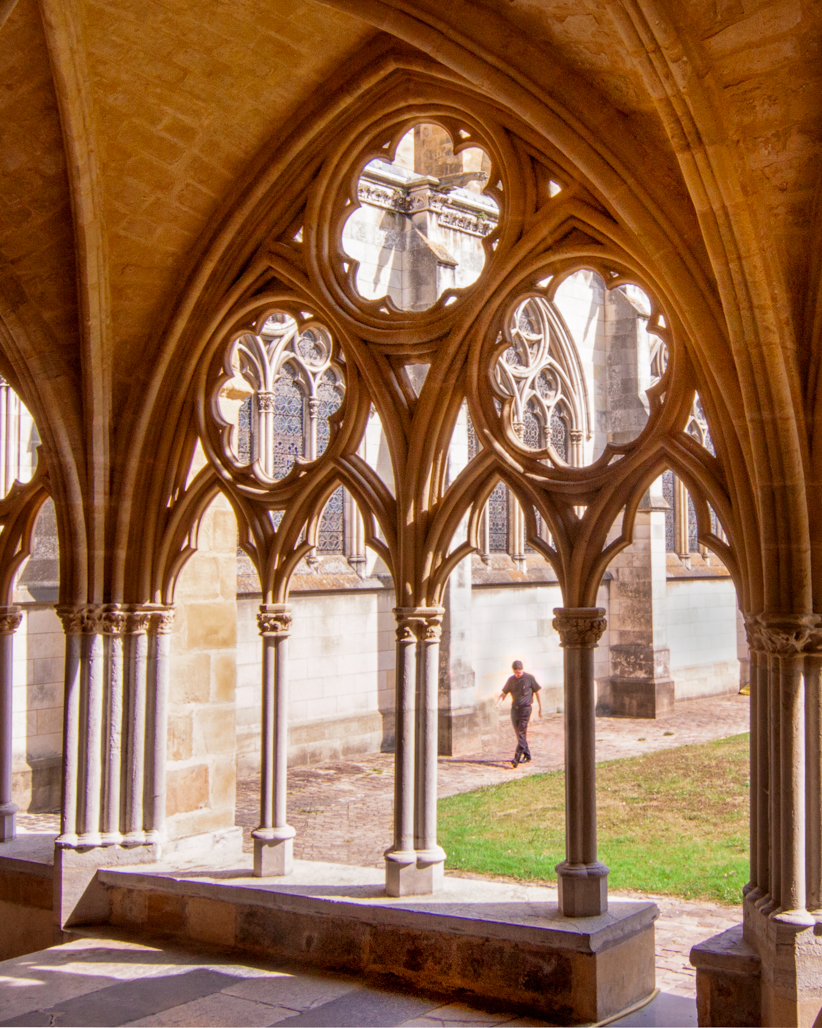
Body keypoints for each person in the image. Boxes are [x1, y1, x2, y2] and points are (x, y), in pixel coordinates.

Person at [495, 660, 542, 767]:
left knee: (521, 733)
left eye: (519, 672)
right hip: (514, 710)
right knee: (519, 734)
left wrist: (540, 707)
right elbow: (504, 693)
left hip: (525, 709)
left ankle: (516, 759)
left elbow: (537, 692)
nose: (518, 674)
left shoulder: (529, 678)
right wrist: (498, 704)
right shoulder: (511, 680)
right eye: (516, 673)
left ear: (522, 669)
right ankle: (527, 755)